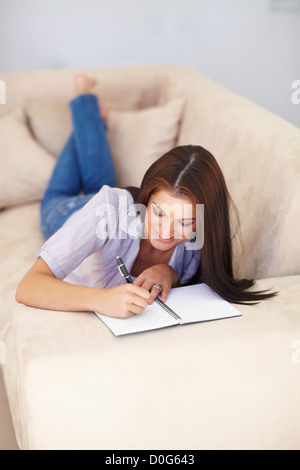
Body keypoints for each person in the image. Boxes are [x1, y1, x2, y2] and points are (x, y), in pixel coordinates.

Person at [15, 75, 276, 318]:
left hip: (106, 210)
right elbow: (28, 286)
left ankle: (94, 119)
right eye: (159, 213)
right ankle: (86, 104)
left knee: (99, 183)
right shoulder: (109, 209)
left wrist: (169, 272)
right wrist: (100, 300)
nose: (166, 231)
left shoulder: (199, 240)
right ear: (147, 198)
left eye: (184, 222)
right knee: (62, 192)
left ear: (202, 220)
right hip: (68, 212)